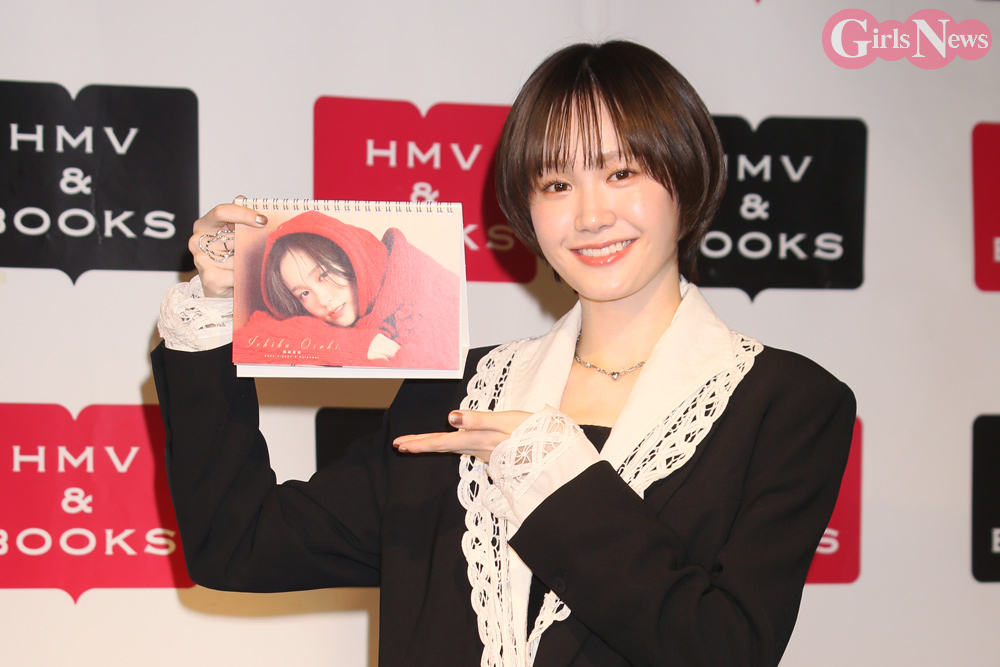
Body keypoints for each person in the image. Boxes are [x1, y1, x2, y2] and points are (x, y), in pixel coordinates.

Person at [152, 40, 855, 666]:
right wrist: (215, 307)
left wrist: (552, 474)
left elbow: (724, 647)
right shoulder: (458, 392)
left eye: (622, 173)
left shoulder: (786, 404)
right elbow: (237, 544)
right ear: (526, 208)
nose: (590, 216)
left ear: (686, 178)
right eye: (556, 184)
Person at [231, 209, 460, 369]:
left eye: (323, 275)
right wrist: (348, 345)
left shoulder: (427, 289)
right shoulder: (354, 313)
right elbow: (245, 342)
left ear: (351, 256)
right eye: (304, 293)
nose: (322, 300)